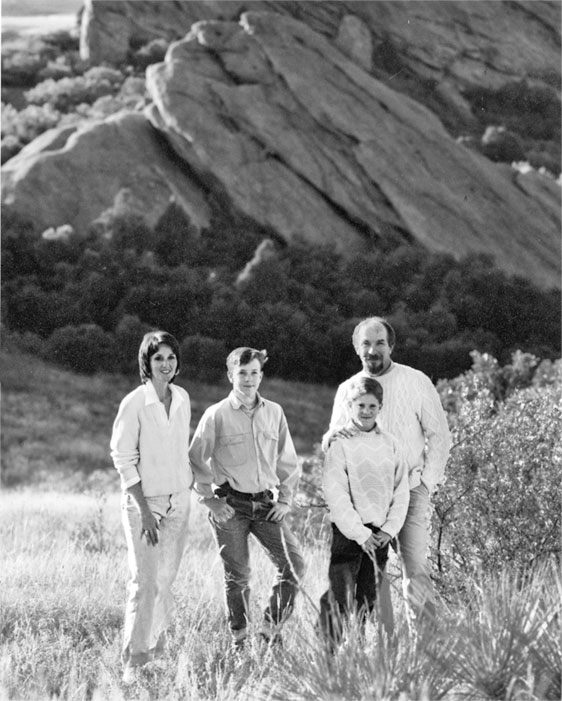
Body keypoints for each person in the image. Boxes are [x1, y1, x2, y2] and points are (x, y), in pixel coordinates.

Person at [323, 316, 451, 632]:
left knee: (414, 569)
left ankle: (425, 645)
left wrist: (427, 483)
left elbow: (439, 435)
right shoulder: (347, 390)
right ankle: (378, 643)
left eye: (379, 342)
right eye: (366, 343)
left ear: (391, 346)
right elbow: (334, 438)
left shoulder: (416, 381)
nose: (372, 349)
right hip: (364, 499)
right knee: (368, 575)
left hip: (410, 492)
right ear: (357, 348)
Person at [189, 347, 304, 649]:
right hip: (230, 506)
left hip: (266, 504)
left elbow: (287, 460)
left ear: (261, 376)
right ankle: (239, 642)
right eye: (242, 373)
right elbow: (195, 459)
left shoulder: (274, 412)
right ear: (230, 376)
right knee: (238, 577)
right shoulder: (216, 415)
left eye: (254, 373)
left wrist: (285, 500)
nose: (248, 379)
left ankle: (269, 632)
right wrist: (208, 499)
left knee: (294, 565)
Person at [110, 330, 193, 684]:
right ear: (147, 362)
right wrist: (144, 510)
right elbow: (122, 458)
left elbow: (180, 448)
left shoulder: (182, 397)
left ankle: (155, 655)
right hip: (145, 504)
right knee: (144, 583)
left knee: (164, 582)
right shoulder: (134, 403)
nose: (166, 364)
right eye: (158, 358)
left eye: (171, 357)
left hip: (179, 500)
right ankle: (134, 662)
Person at [319, 377, 409, 647]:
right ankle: (329, 655)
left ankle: (357, 650)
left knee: (367, 600)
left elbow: (401, 490)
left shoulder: (391, 444)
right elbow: (335, 493)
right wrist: (359, 534)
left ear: (380, 407)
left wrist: (389, 530)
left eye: (372, 406)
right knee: (340, 597)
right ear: (350, 406)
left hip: (379, 535)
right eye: (360, 405)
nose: (366, 411)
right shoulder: (340, 444)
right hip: (348, 533)